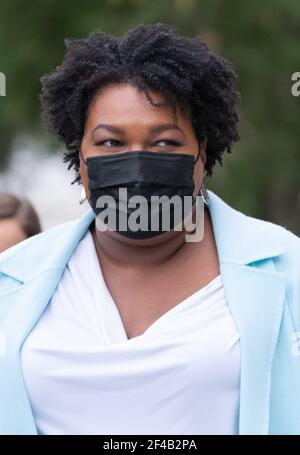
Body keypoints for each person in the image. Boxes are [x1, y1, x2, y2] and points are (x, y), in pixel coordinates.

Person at [0, 23, 299, 436]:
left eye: (164, 143)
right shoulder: (10, 279)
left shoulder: (289, 271)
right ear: (79, 154)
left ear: (202, 153)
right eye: (110, 143)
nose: (136, 163)